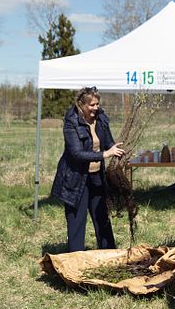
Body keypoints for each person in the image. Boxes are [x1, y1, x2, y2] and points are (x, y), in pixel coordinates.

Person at [51, 86, 125, 252]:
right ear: (81, 105)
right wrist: (105, 154)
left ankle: (110, 254)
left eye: (97, 104)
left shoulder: (101, 118)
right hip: (75, 177)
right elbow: (76, 153)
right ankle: (75, 260)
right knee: (77, 221)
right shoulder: (71, 121)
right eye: (92, 105)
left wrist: (116, 149)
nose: (95, 108)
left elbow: (107, 142)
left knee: (102, 218)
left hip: (96, 176)